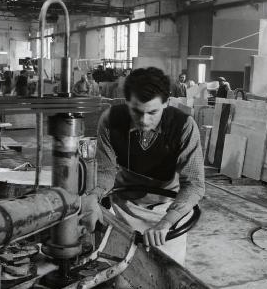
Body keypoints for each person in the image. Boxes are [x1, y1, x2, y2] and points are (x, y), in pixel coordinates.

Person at [80, 67, 205, 265]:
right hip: (124, 208)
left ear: (166, 103)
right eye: (136, 112)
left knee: (165, 278)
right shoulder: (110, 120)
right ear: (127, 102)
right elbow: (106, 172)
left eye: (152, 112)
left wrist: (166, 222)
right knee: (118, 273)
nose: (144, 120)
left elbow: (195, 184)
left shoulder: (184, 126)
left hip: (166, 212)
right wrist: (93, 198)